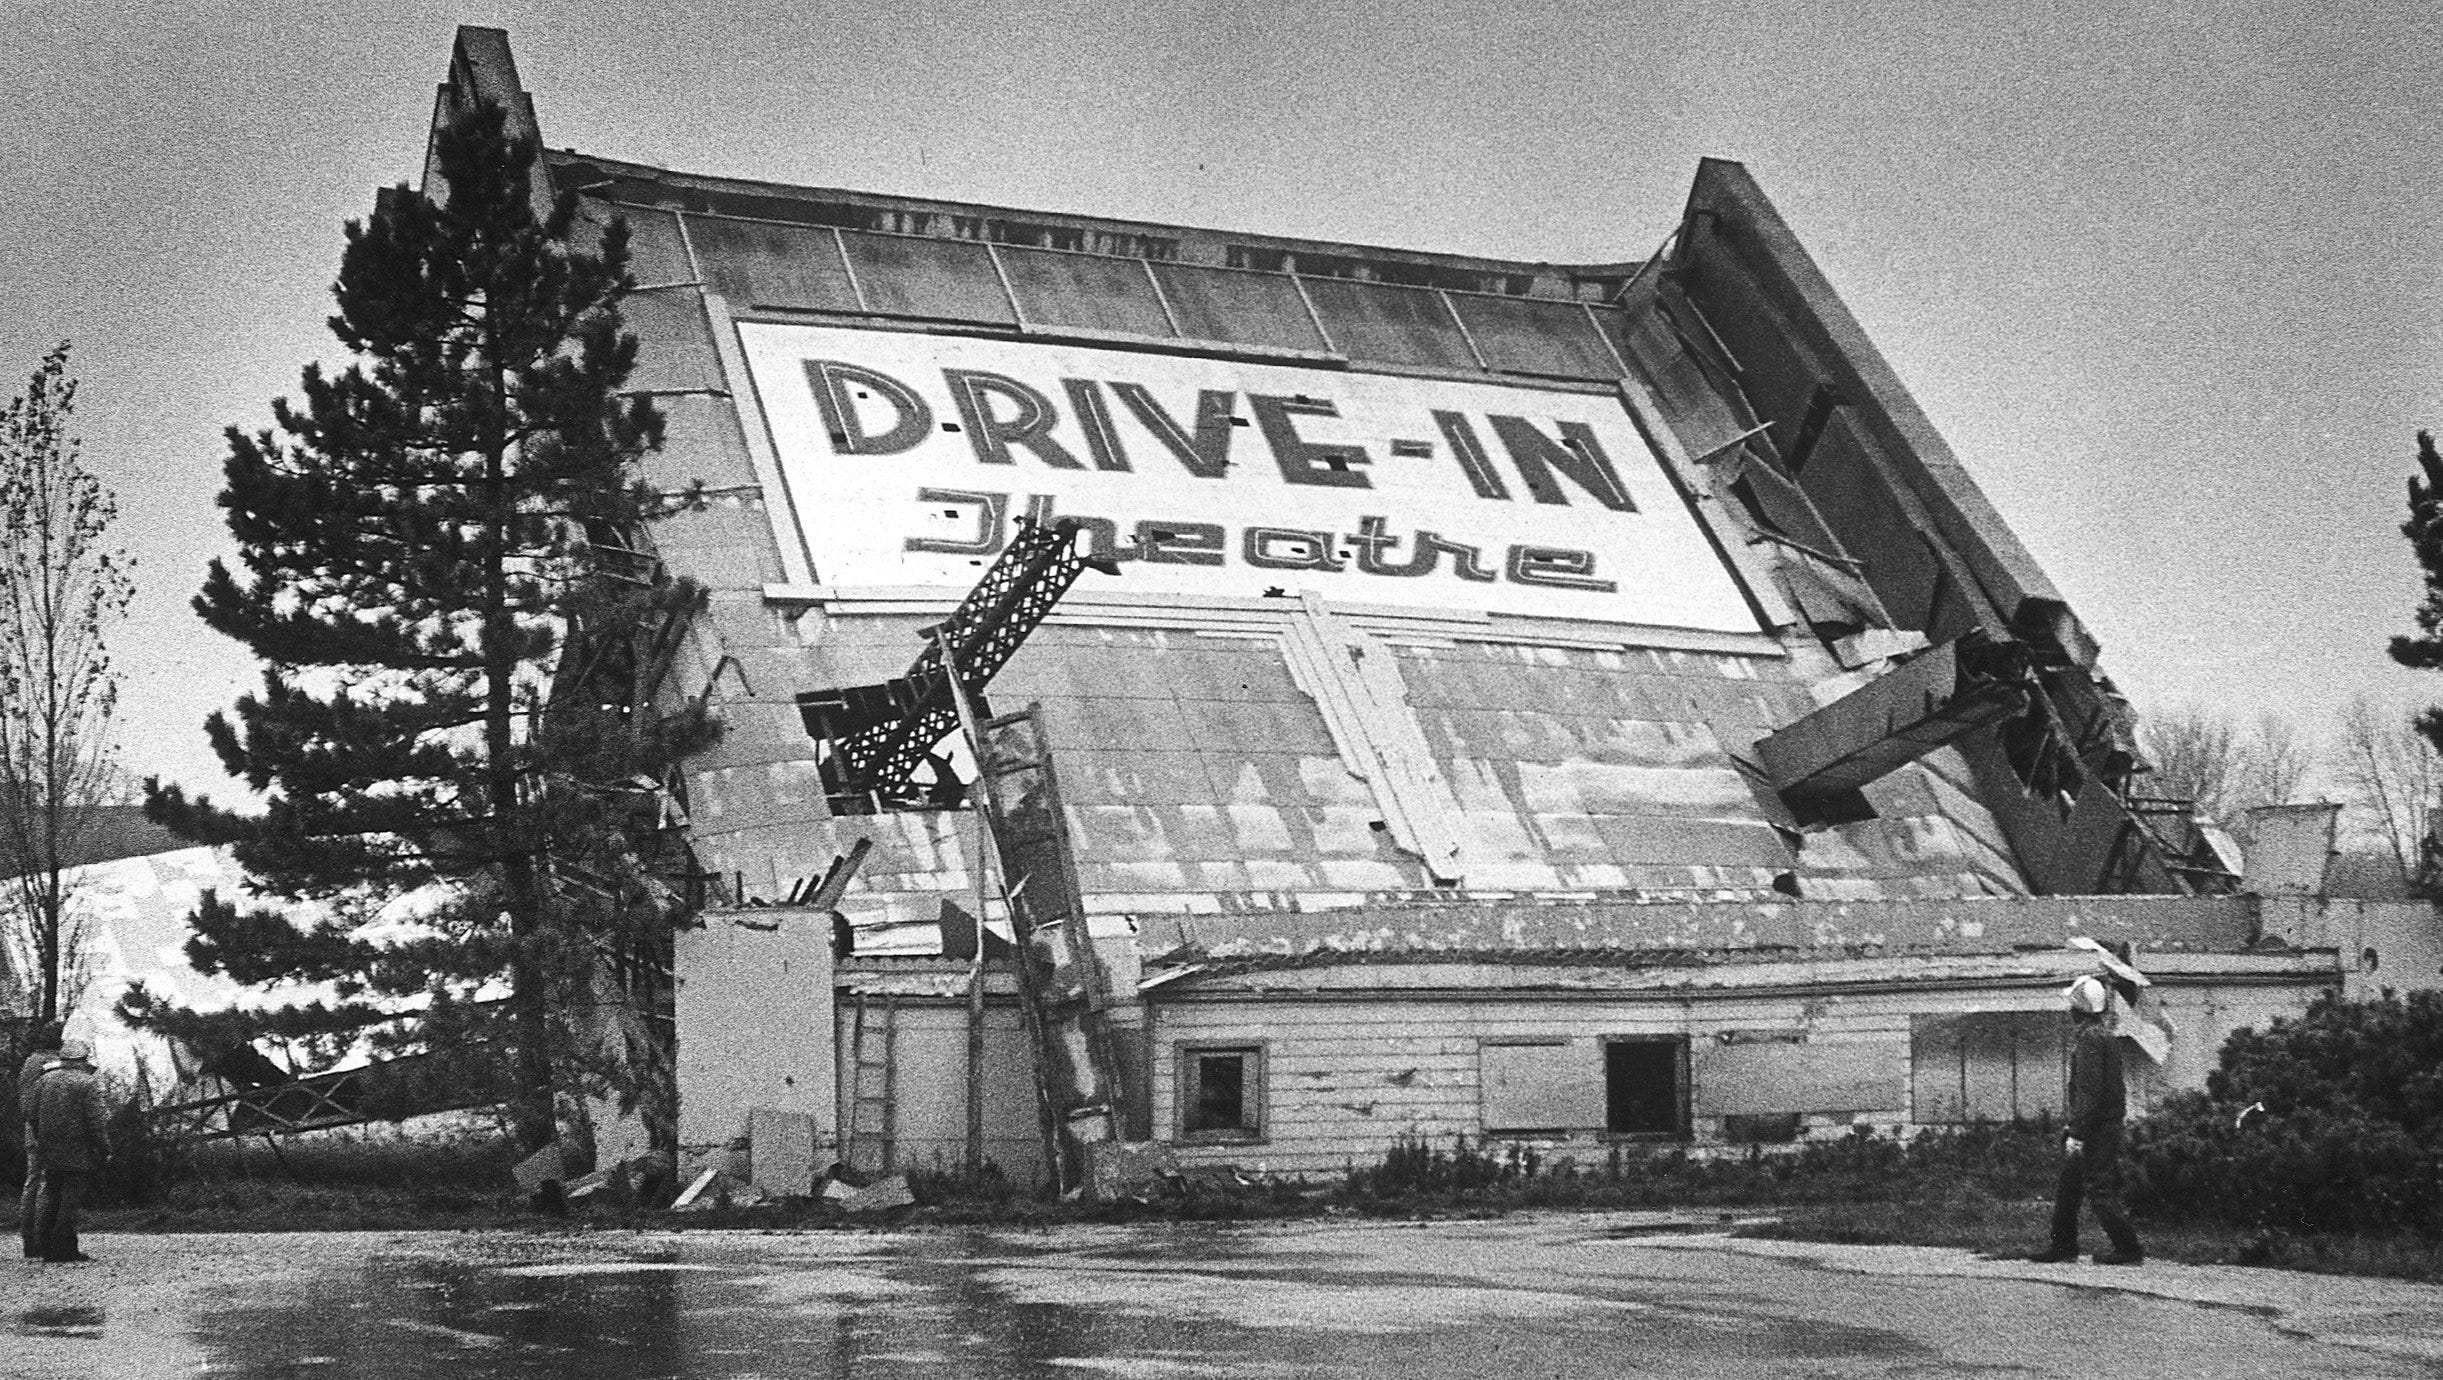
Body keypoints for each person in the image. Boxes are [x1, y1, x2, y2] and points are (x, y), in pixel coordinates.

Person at [2031, 976, 2144, 1265]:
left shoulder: (2090, 1039)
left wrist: (2077, 1131)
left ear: (2079, 1008)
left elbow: (2089, 1091)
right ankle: (2063, 1246)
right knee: (2070, 1186)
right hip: (2101, 1124)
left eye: (2072, 1003)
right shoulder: (2102, 1034)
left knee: (2097, 1185)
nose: (2069, 1008)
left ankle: (2127, 1247)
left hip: (2096, 1127)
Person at [27, 1038, 109, 1264]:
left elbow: (32, 1115)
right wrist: (104, 1148)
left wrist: (42, 1137)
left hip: (49, 1147)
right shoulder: (87, 1083)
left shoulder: (44, 1080)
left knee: (52, 1196)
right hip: (78, 1147)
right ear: (83, 1060)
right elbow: (95, 1122)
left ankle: (46, 1246)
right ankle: (64, 1248)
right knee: (70, 1200)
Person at [16, 1020, 64, 1259]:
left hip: (32, 1124)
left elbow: (25, 1100)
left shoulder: (30, 1061)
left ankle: (30, 1239)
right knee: (45, 1182)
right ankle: (41, 1239)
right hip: (45, 1126)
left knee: (33, 1179)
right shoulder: (50, 1063)